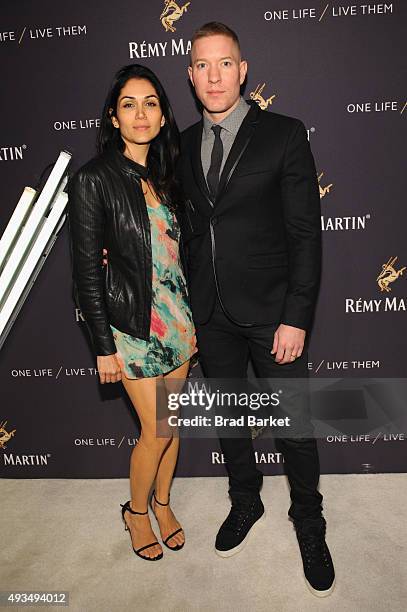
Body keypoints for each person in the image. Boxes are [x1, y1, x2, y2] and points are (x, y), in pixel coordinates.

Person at [177, 22, 335, 596]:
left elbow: (305, 234)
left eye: (225, 64)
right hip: (210, 314)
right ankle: (246, 500)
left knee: (294, 424)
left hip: (274, 315)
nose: (214, 75)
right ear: (190, 75)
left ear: (243, 71)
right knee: (230, 421)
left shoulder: (285, 135)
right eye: (202, 65)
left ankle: (310, 522)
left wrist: (297, 316)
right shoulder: (182, 146)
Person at [68, 64, 197, 561]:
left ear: (163, 116)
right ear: (114, 117)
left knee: (174, 422)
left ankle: (163, 504)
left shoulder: (168, 176)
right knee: (157, 427)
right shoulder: (92, 179)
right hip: (130, 325)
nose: (140, 113)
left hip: (177, 317)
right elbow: (85, 273)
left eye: (150, 103)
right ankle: (136, 513)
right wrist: (103, 346)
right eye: (129, 104)